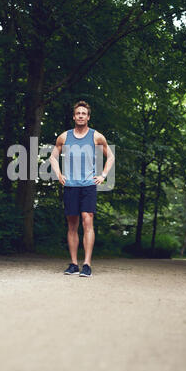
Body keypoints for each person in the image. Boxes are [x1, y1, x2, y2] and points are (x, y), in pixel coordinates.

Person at [50, 101, 114, 277]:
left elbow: (110, 156)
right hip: (70, 185)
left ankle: (86, 264)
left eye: (83, 113)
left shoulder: (96, 137)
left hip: (88, 185)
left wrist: (103, 175)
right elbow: (53, 158)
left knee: (88, 220)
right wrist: (59, 174)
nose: (80, 116)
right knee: (72, 225)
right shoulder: (64, 137)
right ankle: (73, 264)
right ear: (74, 116)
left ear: (88, 117)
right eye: (78, 113)